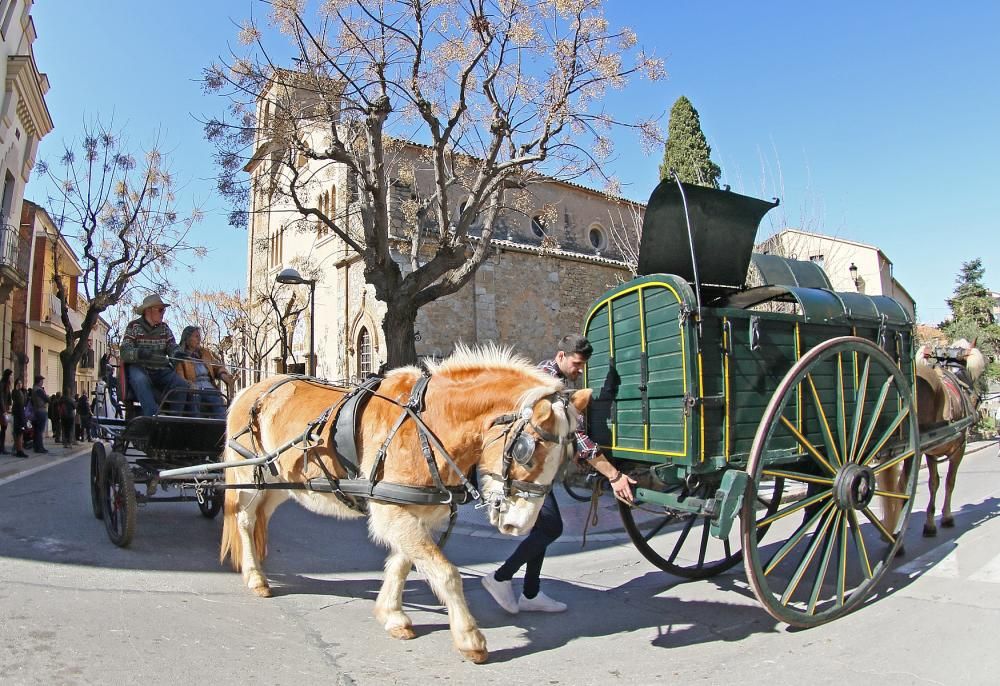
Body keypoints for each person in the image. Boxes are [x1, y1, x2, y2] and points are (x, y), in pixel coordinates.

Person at [481, 334, 636, 614]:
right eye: (577, 364)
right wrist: (614, 476)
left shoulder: (548, 378)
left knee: (543, 529)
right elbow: (580, 438)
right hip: (529, 470)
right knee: (552, 527)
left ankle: (530, 593)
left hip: (535, 466)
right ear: (560, 356)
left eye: (583, 366)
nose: (580, 371)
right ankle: (500, 577)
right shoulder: (548, 386)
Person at [120, 293, 189, 416]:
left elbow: (172, 346)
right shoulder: (134, 326)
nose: (163, 313)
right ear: (148, 310)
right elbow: (125, 351)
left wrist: (177, 354)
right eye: (161, 310)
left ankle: (174, 419)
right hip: (140, 368)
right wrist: (139, 353)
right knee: (140, 379)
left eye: (164, 310)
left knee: (181, 384)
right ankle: (153, 416)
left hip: (161, 370)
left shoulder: (164, 328)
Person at [175, 326, 234, 418]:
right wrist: (189, 384)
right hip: (193, 387)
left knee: (217, 399)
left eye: (199, 336)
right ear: (187, 339)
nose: (199, 339)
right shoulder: (180, 355)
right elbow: (179, 376)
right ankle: (196, 425)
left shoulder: (205, 353)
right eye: (196, 336)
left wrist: (223, 375)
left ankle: (222, 427)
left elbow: (217, 367)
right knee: (195, 397)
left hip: (208, 387)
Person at [30, 376, 49, 454]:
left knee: (37, 430)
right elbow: (47, 399)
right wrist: (47, 396)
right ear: (39, 381)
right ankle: (40, 447)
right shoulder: (39, 390)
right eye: (41, 381)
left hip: (36, 410)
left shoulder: (33, 389)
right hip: (41, 410)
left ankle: (36, 447)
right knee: (39, 431)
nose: (42, 383)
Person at [10, 378, 29, 458]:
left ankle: (19, 449)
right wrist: (16, 389)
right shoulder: (15, 392)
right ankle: (19, 450)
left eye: (21, 383)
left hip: (21, 413)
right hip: (18, 414)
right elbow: (15, 399)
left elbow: (25, 402)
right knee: (19, 433)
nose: (20, 384)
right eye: (18, 383)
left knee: (20, 433)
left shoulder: (22, 392)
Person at [0, 368, 11, 454]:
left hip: (4, 409)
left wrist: (9, 406)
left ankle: (2, 447)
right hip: (1, 410)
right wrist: (4, 410)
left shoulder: (7, 384)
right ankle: (2, 447)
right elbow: (1, 398)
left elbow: (8, 397)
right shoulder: (2, 384)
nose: (11, 377)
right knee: (3, 428)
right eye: (10, 375)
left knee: (4, 428)